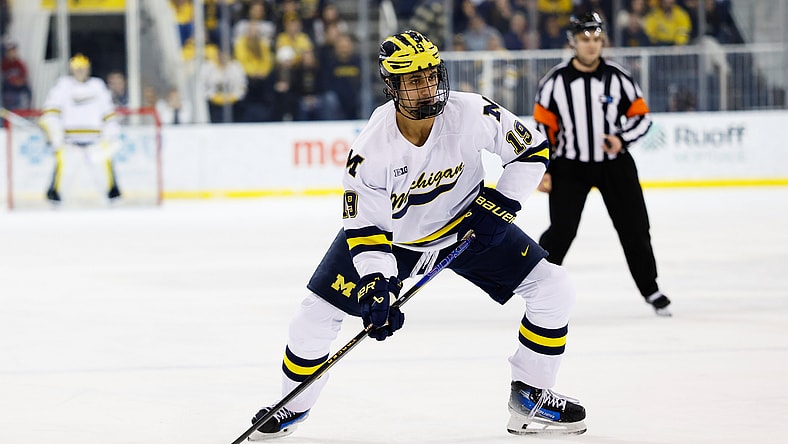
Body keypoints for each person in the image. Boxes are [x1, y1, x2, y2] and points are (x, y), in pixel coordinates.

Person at [246, 30, 586, 440]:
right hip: (395, 241)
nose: (426, 87)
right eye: (413, 79)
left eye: (430, 75)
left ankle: (530, 394)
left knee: (554, 288)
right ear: (392, 86)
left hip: (467, 229)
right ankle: (292, 406)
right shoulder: (371, 150)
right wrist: (377, 284)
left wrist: (501, 204)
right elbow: (367, 228)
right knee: (313, 316)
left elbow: (531, 150)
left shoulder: (471, 112)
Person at [532, 13, 672, 316]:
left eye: (596, 38)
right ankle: (536, 284)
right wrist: (544, 168)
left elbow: (641, 117)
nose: (591, 44)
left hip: (614, 165)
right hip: (570, 166)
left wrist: (621, 139)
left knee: (635, 229)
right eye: (585, 39)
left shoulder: (618, 77)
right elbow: (542, 129)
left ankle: (651, 289)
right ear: (572, 42)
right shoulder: (555, 81)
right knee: (562, 230)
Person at [40, 53, 122, 203]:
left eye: (82, 68)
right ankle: (55, 203)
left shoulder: (97, 86)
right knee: (63, 175)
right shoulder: (63, 86)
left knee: (104, 174)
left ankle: (113, 201)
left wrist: (112, 132)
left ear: (88, 69)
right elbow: (51, 113)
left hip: (95, 140)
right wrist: (54, 133)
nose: (80, 72)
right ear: (72, 69)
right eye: (77, 69)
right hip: (69, 141)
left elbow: (108, 112)